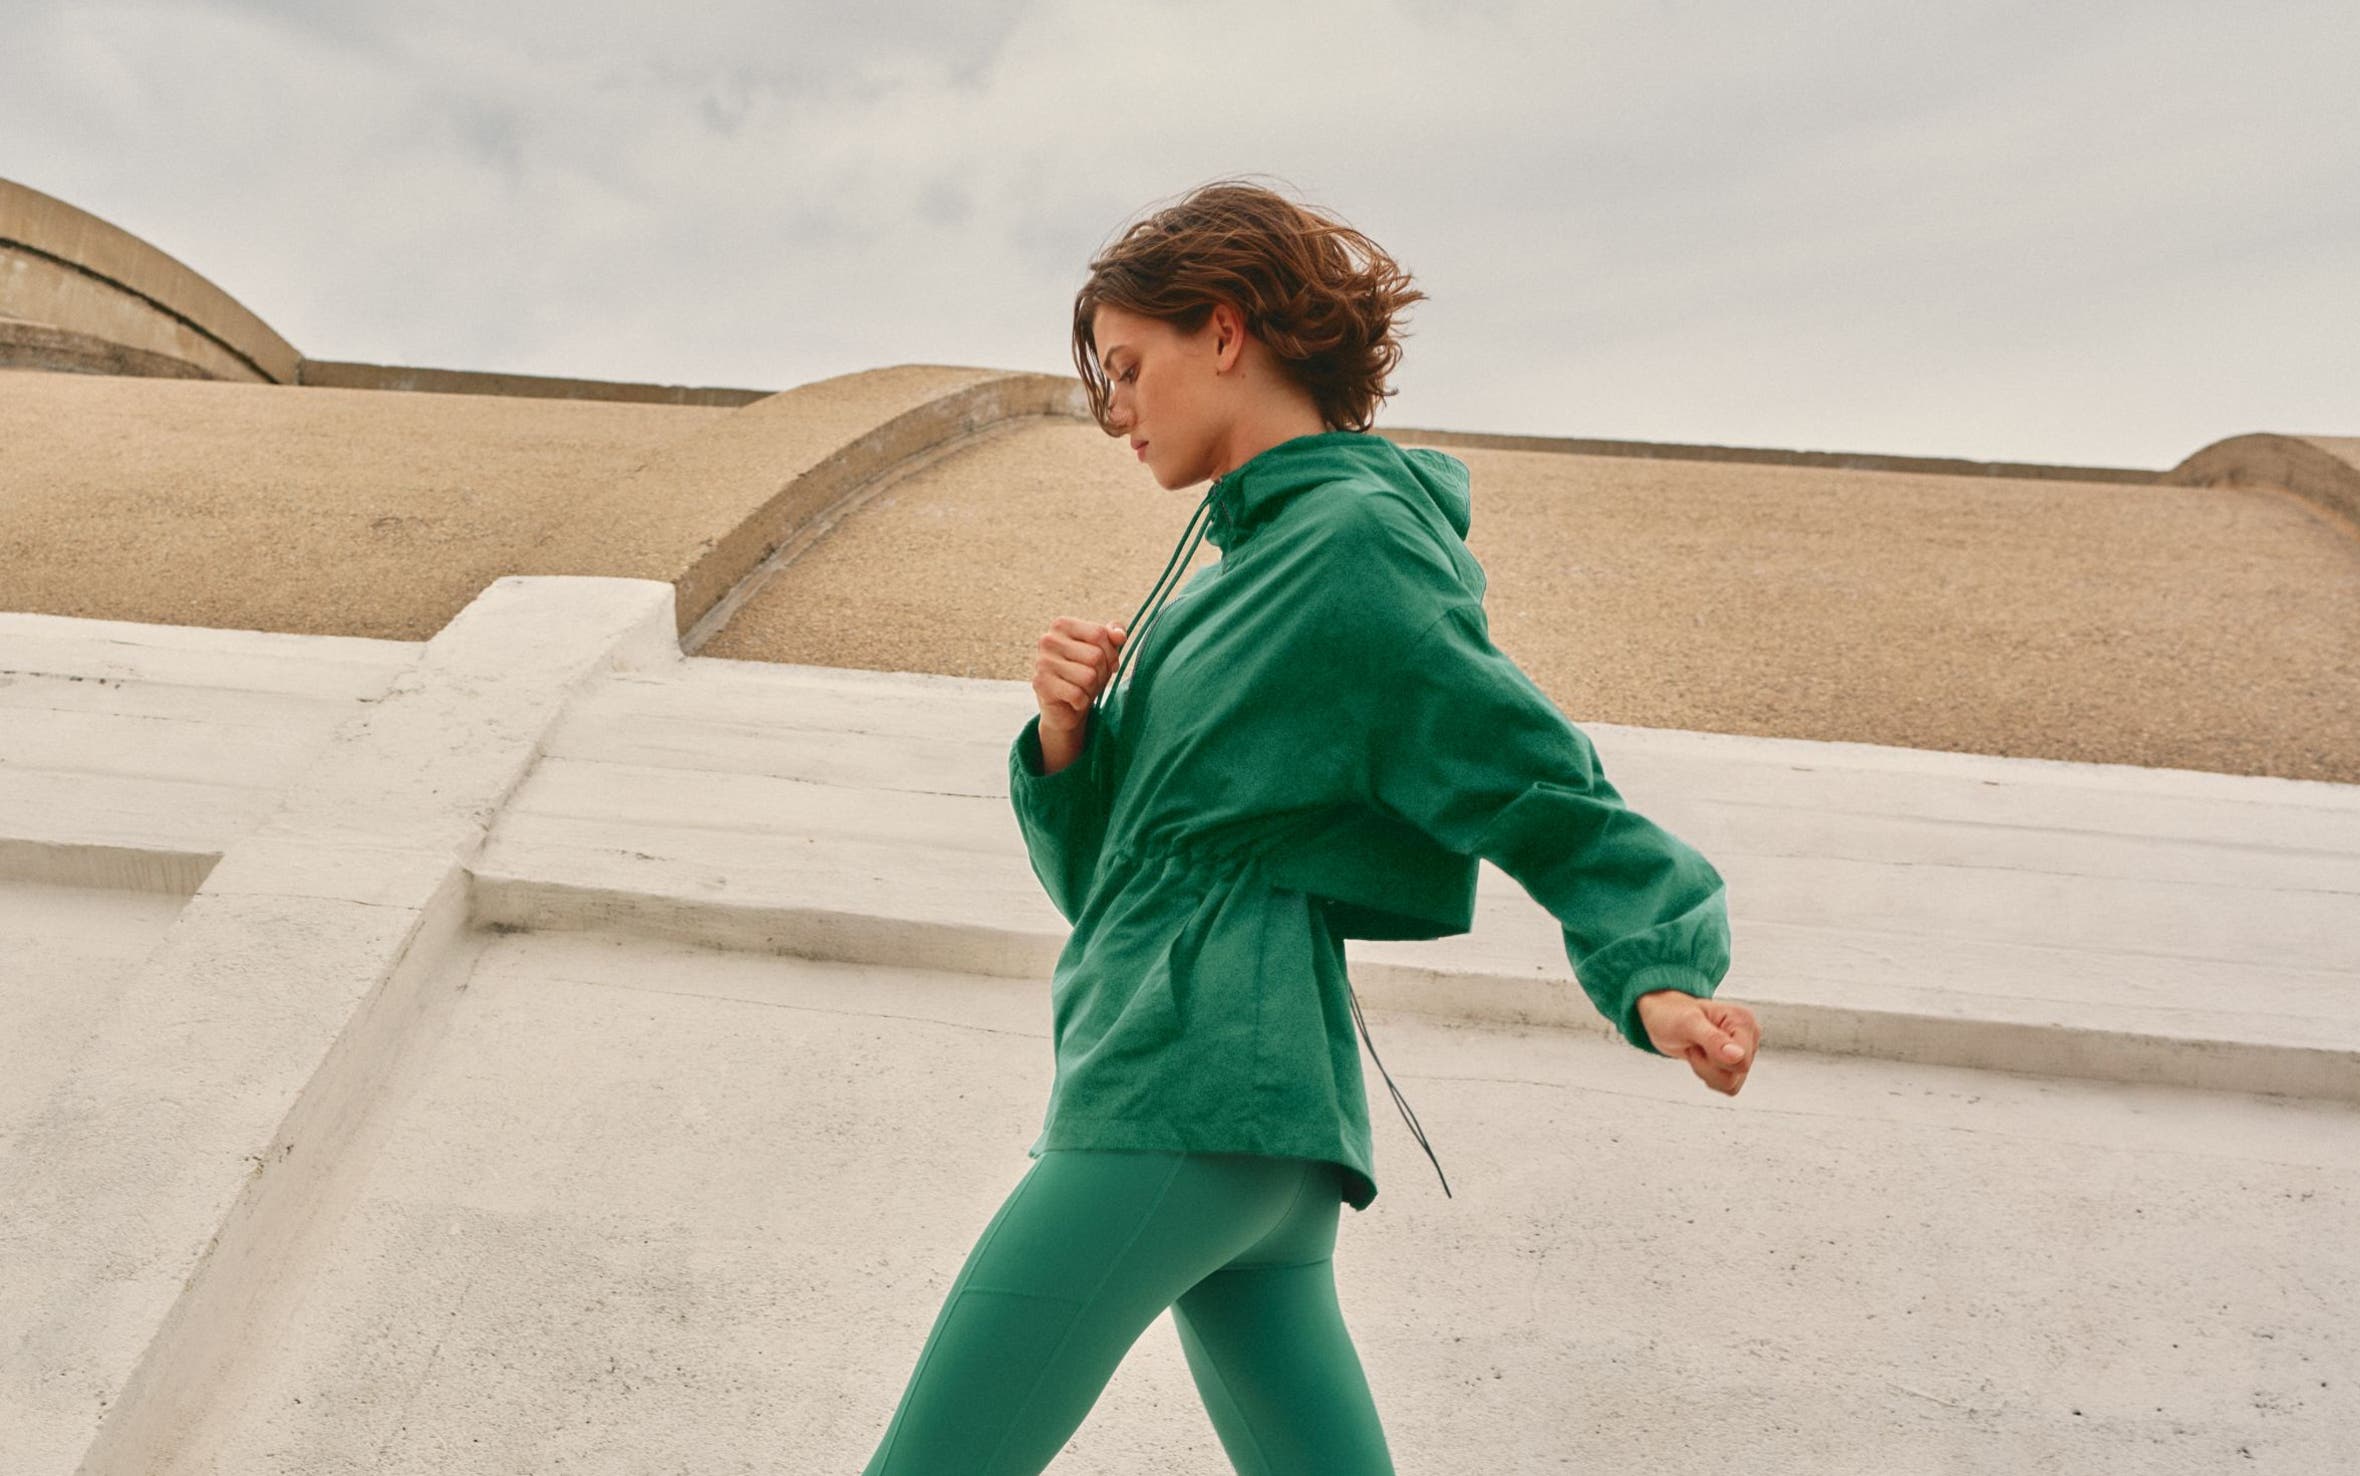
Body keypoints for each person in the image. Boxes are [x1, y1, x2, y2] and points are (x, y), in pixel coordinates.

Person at [860, 175, 1760, 1475]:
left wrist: (1657, 968)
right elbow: (1114, 886)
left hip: (1181, 1094)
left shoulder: (1349, 545)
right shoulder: (1231, 583)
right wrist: (1069, 741)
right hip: (1255, 1130)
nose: (1114, 411)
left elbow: (1523, 765)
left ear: (1223, 332)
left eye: (1126, 366)